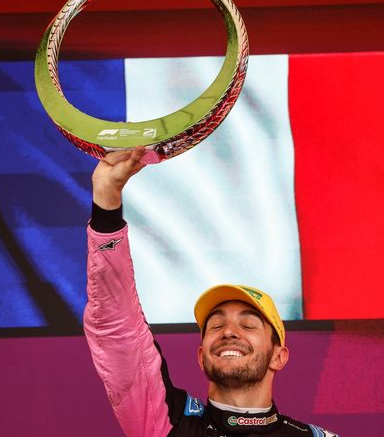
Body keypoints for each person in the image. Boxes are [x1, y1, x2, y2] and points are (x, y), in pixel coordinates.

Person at [84, 147, 339, 436]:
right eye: (216, 325)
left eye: (248, 324)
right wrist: (106, 203)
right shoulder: (169, 423)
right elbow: (118, 331)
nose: (229, 332)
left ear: (278, 356)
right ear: (201, 355)